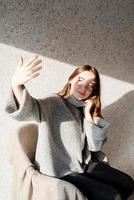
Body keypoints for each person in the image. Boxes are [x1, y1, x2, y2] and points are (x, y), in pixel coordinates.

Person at [5, 55, 134, 200]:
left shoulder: (84, 109)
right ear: (71, 81)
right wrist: (16, 84)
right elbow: (30, 110)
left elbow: (95, 147)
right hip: (62, 170)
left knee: (128, 183)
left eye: (91, 85)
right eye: (80, 79)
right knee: (113, 196)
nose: (84, 87)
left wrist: (89, 117)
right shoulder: (54, 102)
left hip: (84, 165)